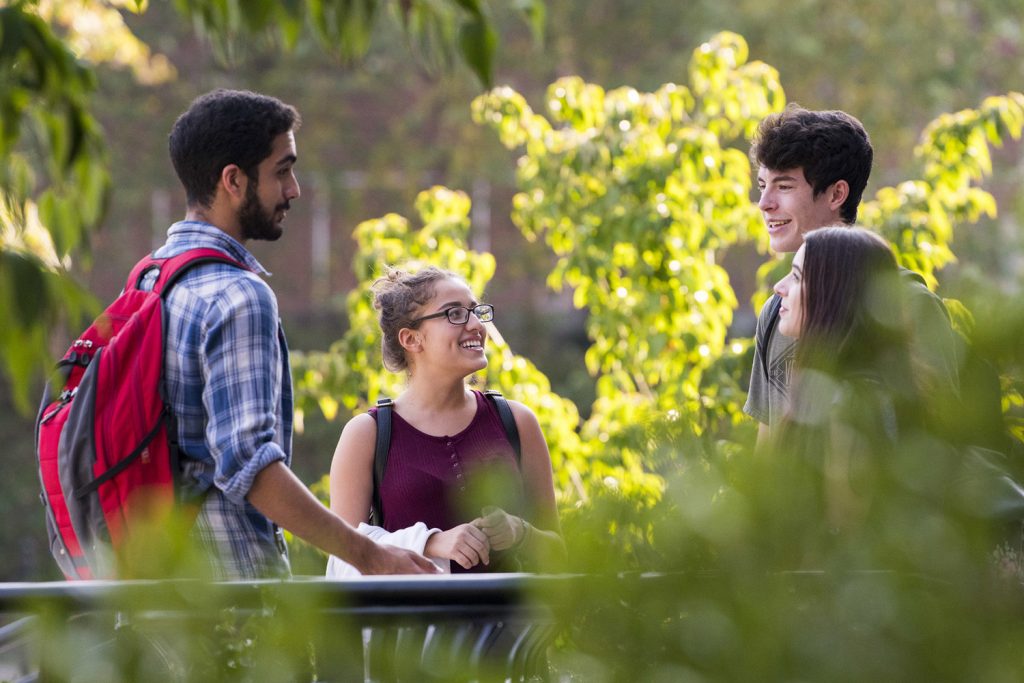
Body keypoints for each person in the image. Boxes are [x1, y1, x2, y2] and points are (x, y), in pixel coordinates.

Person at [159, 89, 437, 579]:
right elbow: (251, 468)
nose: (295, 189)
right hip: (229, 601)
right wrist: (370, 556)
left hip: (155, 590)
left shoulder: (150, 280)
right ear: (233, 180)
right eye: (282, 170)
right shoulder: (237, 295)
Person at [327, 266, 565, 575]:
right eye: (454, 313)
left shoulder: (517, 421)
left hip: (514, 623)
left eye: (475, 311)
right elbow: (342, 561)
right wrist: (429, 543)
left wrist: (520, 532)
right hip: (414, 623)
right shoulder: (366, 434)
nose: (476, 325)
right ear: (411, 339)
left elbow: (560, 557)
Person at [744, 104, 961, 445]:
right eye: (762, 185)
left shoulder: (908, 305)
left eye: (783, 186)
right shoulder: (778, 311)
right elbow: (767, 459)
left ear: (836, 193)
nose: (764, 203)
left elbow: (942, 451)